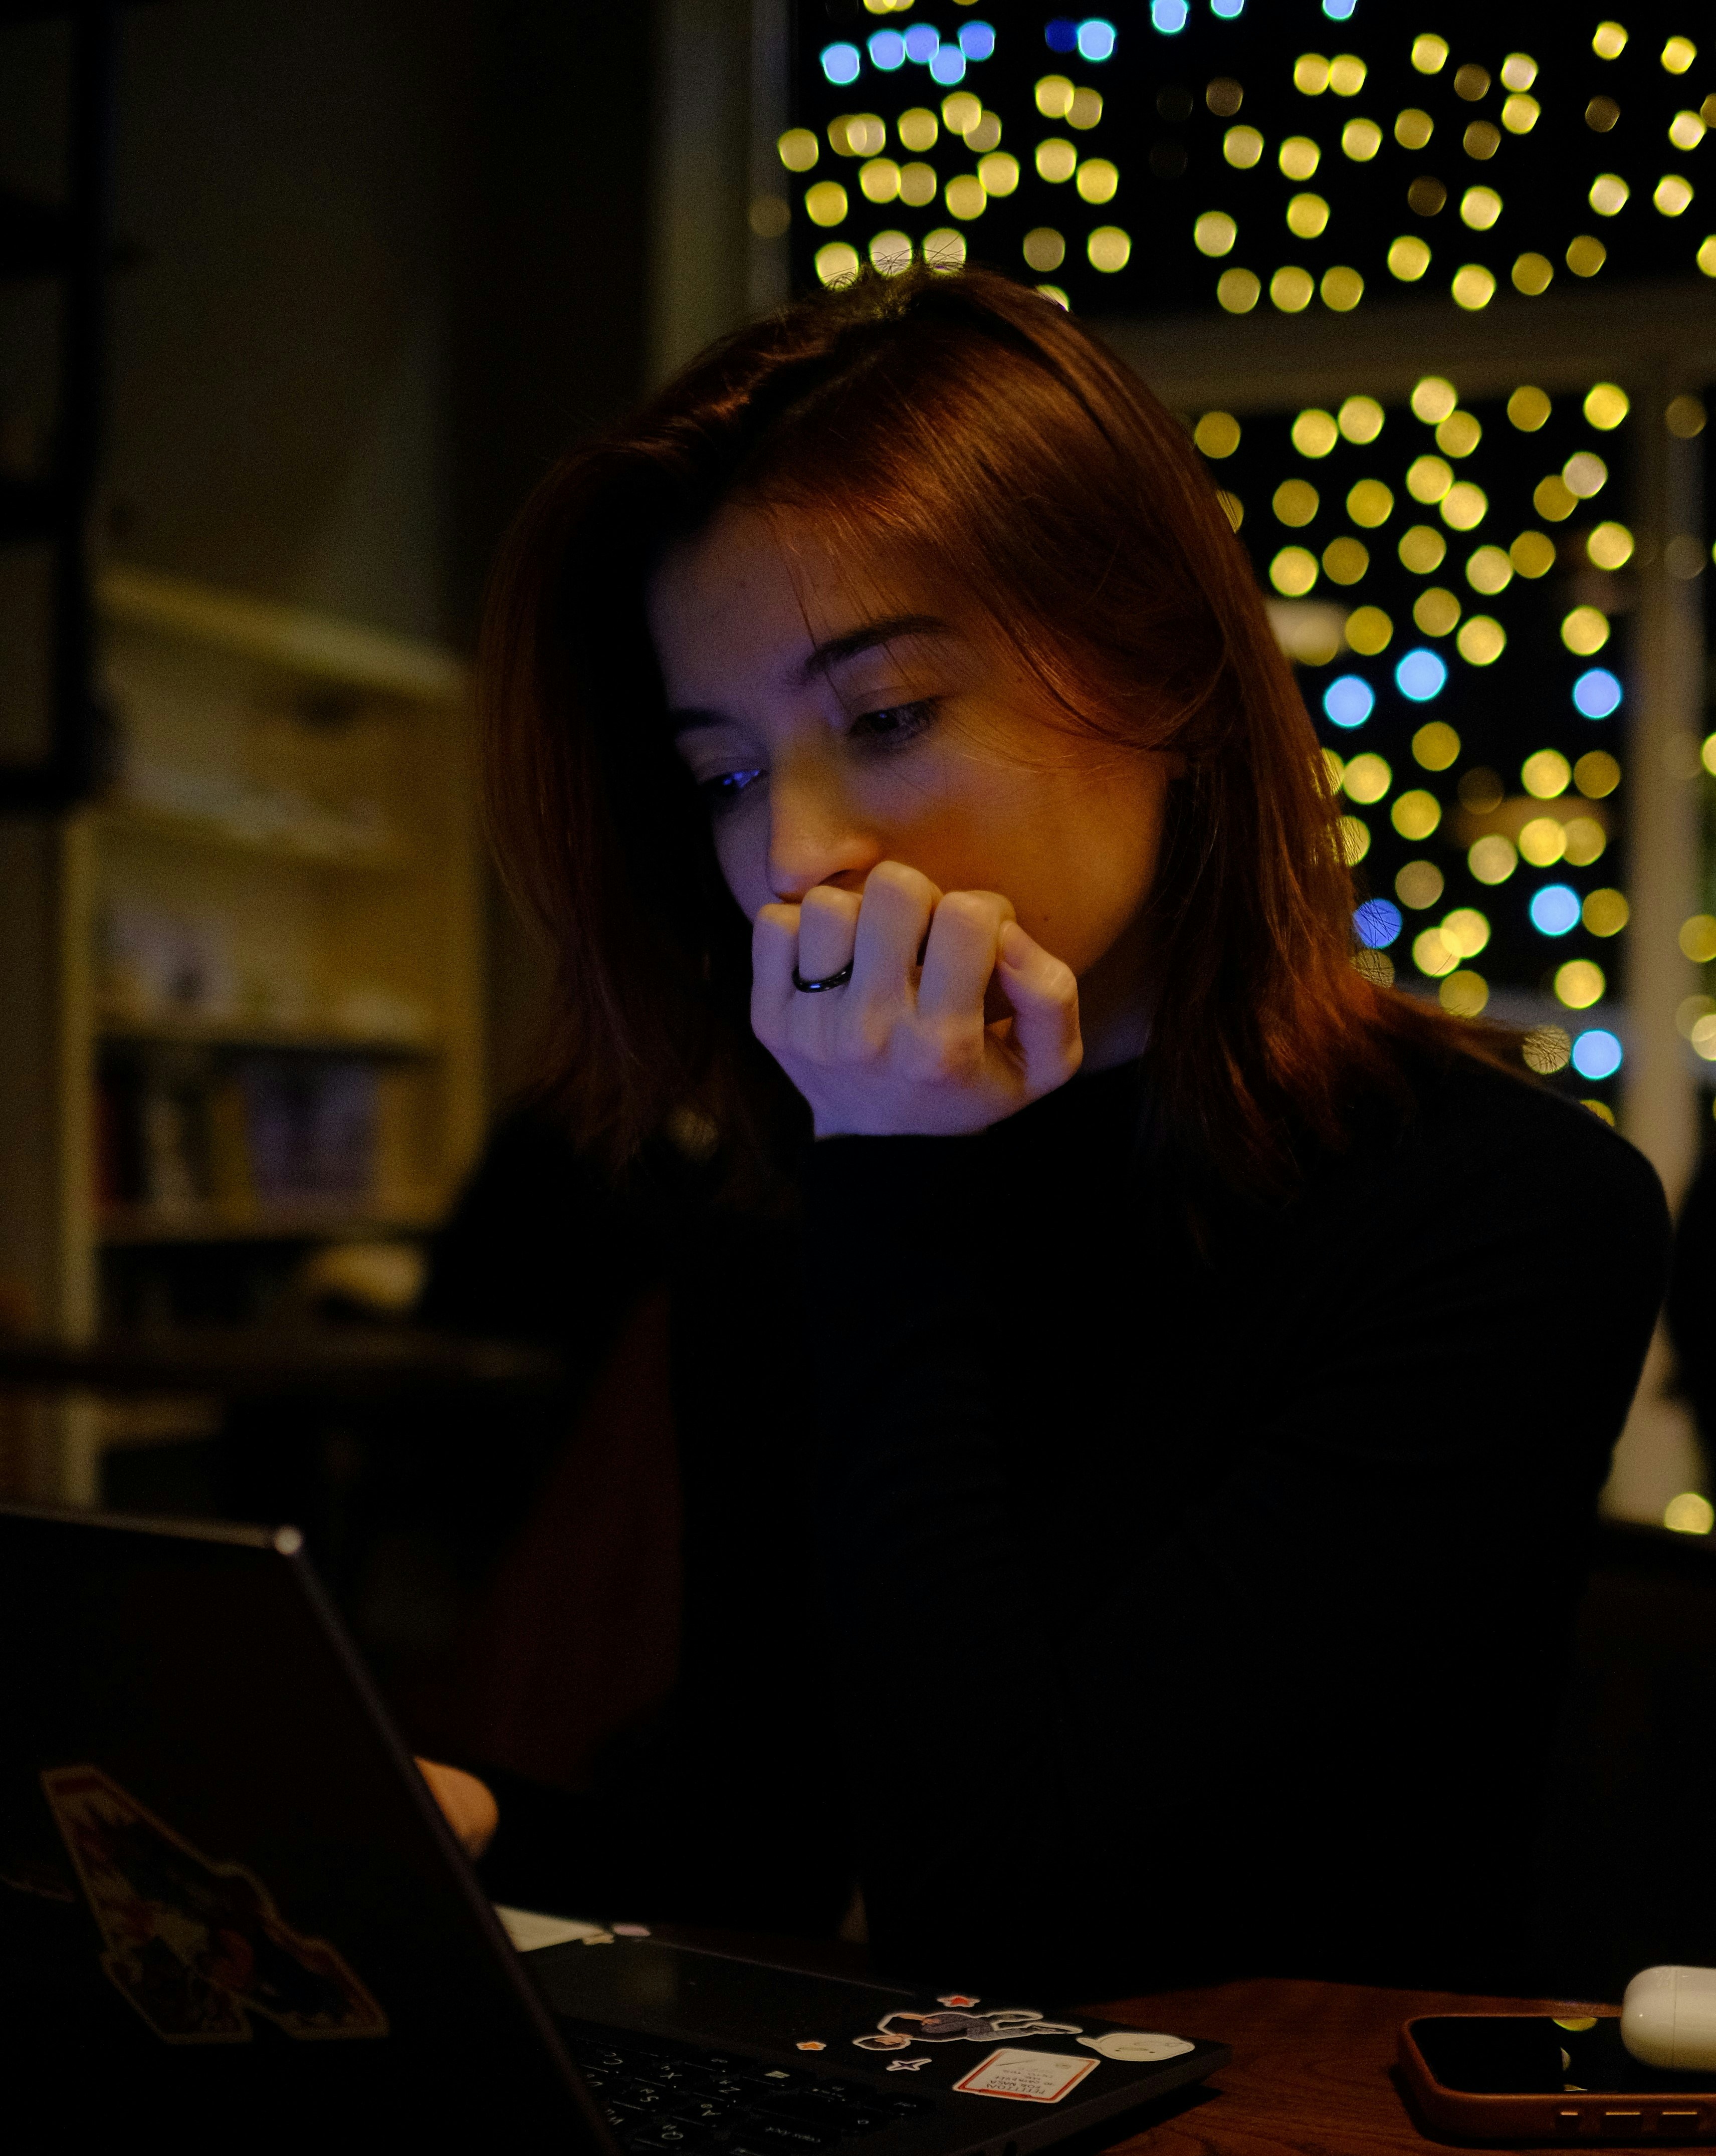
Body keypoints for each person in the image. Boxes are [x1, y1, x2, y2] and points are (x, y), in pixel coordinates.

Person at [443, 262, 1667, 1997]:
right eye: (722, 770)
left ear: (1163, 676)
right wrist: (462, 1826)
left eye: (883, 718)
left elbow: (1023, 1912)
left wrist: (894, 1181)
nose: (791, 857)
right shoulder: (796, 1218)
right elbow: (768, 1839)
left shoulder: (1507, 1212)